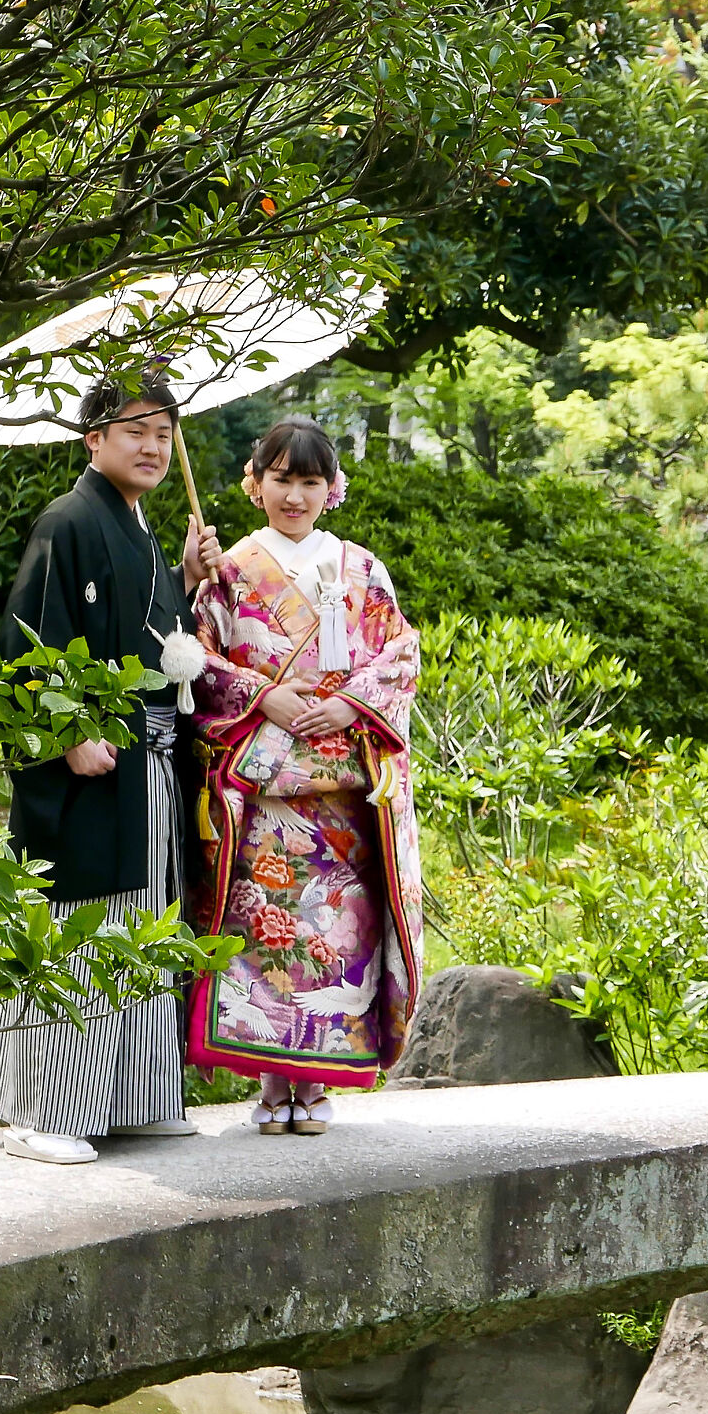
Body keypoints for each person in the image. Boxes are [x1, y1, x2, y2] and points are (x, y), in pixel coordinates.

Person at [0, 375, 211, 1164]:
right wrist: (67, 730)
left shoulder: (140, 531)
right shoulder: (69, 520)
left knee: (144, 921)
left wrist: (182, 575)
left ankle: (134, 1097)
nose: (152, 445)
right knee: (85, 923)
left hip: (149, 760)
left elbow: (148, 635)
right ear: (94, 440)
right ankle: (47, 1111)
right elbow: (27, 645)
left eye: (163, 431)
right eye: (134, 430)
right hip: (94, 759)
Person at [183, 417, 423, 1133]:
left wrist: (348, 701)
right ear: (254, 484)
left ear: (332, 489)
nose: (295, 495)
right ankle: (268, 1085)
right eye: (281, 478)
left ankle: (317, 1088)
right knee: (267, 936)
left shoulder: (361, 569)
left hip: (345, 795)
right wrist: (263, 696)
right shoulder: (228, 573)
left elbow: (400, 656)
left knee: (337, 939)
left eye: (309, 481)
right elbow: (199, 662)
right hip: (266, 794)